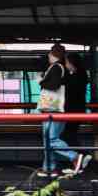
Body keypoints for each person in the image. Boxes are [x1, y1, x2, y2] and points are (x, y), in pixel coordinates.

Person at [37, 44, 77, 177]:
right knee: (49, 140)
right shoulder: (63, 68)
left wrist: (40, 81)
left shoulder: (56, 67)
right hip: (58, 109)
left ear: (53, 55)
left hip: (53, 110)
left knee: (51, 139)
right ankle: (49, 168)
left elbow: (53, 85)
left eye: (49, 53)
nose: (48, 56)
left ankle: (75, 157)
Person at [60, 53, 90, 175]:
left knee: (68, 135)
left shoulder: (77, 76)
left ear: (72, 63)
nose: (66, 65)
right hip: (77, 109)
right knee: (70, 135)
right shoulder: (80, 75)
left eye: (67, 62)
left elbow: (68, 89)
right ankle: (79, 162)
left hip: (73, 110)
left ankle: (82, 155)